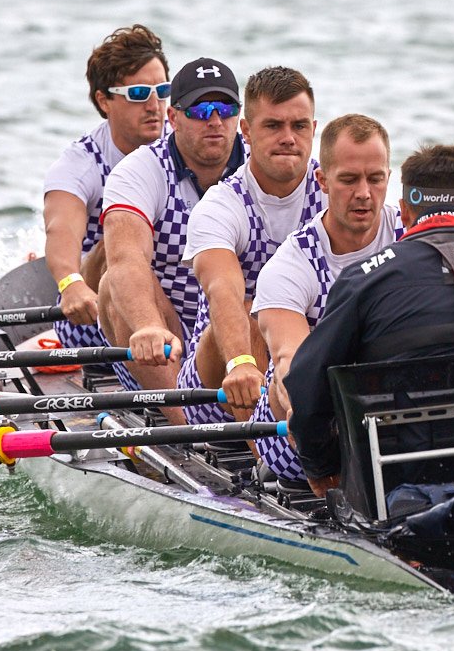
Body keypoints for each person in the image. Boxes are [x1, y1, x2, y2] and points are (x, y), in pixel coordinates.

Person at [284, 143, 454, 496]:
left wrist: (321, 470)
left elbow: (306, 388)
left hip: (395, 483)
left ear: (403, 213)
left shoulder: (364, 279)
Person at [249, 114, 404, 483]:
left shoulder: (412, 236)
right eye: (349, 180)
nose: (364, 193)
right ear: (322, 180)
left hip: (392, 407)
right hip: (305, 433)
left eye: (375, 178)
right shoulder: (291, 264)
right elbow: (289, 360)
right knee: (288, 381)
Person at [98, 57, 246, 425]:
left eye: (225, 109)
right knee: (111, 287)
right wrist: (148, 326)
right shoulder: (140, 171)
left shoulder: (260, 166)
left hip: (239, 335)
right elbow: (126, 260)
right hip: (167, 341)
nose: (214, 121)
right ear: (173, 118)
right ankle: (187, 428)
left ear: (240, 119)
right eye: (200, 110)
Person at [176, 67, 325, 425]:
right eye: (273, 126)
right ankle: (271, 456)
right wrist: (240, 362)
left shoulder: (340, 191)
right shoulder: (221, 206)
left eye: (299, 126)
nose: (288, 138)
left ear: (314, 130)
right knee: (253, 307)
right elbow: (222, 290)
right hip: (222, 381)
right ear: (246, 131)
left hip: (301, 361)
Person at [42, 25, 170, 349]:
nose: (155, 105)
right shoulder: (80, 163)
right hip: (94, 315)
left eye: (162, 91)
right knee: (120, 233)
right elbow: (61, 230)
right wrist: (70, 282)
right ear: (104, 101)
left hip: (173, 295)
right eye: (139, 94)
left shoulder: (187, 145)